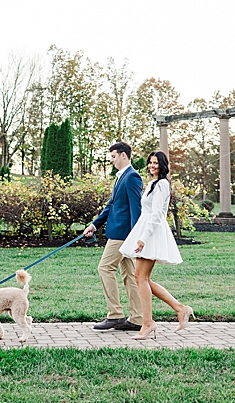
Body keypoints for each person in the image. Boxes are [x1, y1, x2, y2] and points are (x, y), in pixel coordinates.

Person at [119, 150, 193, 340]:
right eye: (150, 162)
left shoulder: (161, 185)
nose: (152, 166)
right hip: (145, 229)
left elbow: (158, 214)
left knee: (140, 278)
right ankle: (180, 308)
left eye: (156, 163)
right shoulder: (152, 183)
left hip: (151, 232)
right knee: (143, 279)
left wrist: (143, 238)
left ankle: (148, 323)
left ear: (162, 165)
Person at [82, 141, 144, 331]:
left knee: (105, 268)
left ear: (124, 155)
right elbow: (111, 206)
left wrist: (135, 236)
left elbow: (137, 209)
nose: (112, 160)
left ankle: (115, 315)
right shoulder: (120, 177)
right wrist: (94, 224)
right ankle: (137, 319)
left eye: (113, 156)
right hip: (119, 233)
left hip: (123, 235)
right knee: (130, 276)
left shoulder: (132, 177)